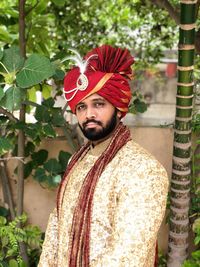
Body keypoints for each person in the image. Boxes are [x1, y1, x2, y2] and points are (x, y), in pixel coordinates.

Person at [38, 45, 169, 267]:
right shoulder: (76, 161)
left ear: (118, 108)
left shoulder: (142, 168)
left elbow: (129, 255)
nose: (89, 114)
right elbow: (56, 228)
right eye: (81, 107)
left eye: (98, 104)